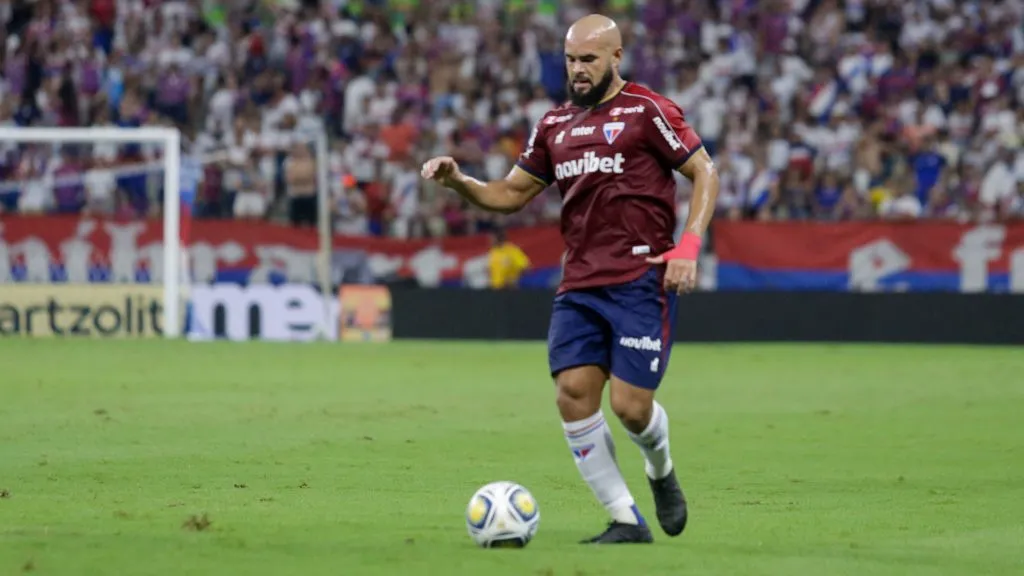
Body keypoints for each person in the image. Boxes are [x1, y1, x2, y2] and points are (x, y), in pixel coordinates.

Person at [421, 14, 719, 544]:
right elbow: (510, 195)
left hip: (639, 279)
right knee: (573, 394)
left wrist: (689, 245)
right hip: (580, 284)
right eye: (571, 60)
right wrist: (460, 182)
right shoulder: (554, 125)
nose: (578, 70)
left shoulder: (647, 111)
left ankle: (660, 469)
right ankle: (626, 519)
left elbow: (704, 171)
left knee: (631, 408)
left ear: (615, 58)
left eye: (589, 59)